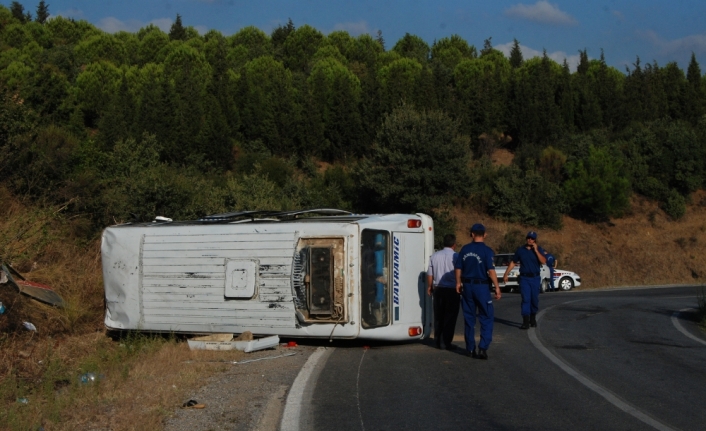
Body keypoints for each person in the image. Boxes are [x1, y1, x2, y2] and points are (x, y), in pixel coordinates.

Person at [454, 224, 501, 360]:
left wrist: (458, 282)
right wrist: (497, 287)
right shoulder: (487, 251)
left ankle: (470, 348)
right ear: (485, 234)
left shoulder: (465, 249)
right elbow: (491, 271)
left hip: (467, 286)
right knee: (486, 316)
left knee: (469, 318)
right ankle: (483, 347)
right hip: (481, 287)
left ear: (472, 234)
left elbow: (458, 268)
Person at [504, 231, 546, 329]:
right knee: (526, 299)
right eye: (528, 238)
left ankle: (532, 318)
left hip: (535, 277)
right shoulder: (520, 250)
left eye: (532, 238)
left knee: (534, 299)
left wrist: (536, 251)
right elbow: (513, 262)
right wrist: (506, 274)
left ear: (535, 240)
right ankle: (525, 321)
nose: (530, 240)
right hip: (524, 278)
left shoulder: (538, 249)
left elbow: (543, 261)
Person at [427, 234, 460, 350]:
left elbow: (430, 274)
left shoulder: (434, 256)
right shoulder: (457, 256)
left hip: (438, 289)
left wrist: (429, 286)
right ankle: (446, 342)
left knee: (438, 316)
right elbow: (459, 272)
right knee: (450, 317)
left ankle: (437, 340)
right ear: (454, 245)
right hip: (452, 289)